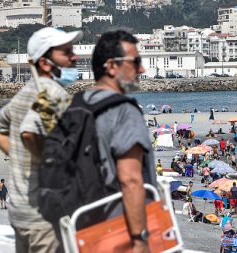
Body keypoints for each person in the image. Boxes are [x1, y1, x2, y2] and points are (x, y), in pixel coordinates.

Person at [0, 27, 83, 253]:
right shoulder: (53, 93)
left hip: (21, 212)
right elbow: (30, 131)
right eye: (66, 52)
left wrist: (18, 156)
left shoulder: (28, 91)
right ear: (45, 63)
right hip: (44, 218)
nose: (75, 57)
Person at [83, 30, 161, 252]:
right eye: (135, 61)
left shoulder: (77, 106)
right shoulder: (123, 111)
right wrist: (139, 239)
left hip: (84, 230)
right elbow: (130, 180)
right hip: (120, 231)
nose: (142, 69)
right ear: (111, 66)